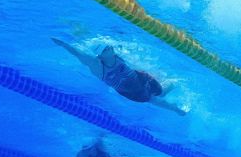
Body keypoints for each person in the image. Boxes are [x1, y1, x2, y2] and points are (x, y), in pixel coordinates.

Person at [52, 38, 186, 115]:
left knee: (160, 93)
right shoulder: (97, 66)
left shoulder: (118, 54)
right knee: (152, 99)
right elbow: (78, 53)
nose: (109, 48)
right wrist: (64, 45)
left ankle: (175, 83)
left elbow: (136, 63)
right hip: (129, 91)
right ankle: (177, 107)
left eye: (108, 46)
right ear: (100, 55)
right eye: (106, 49)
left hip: (140, 79)